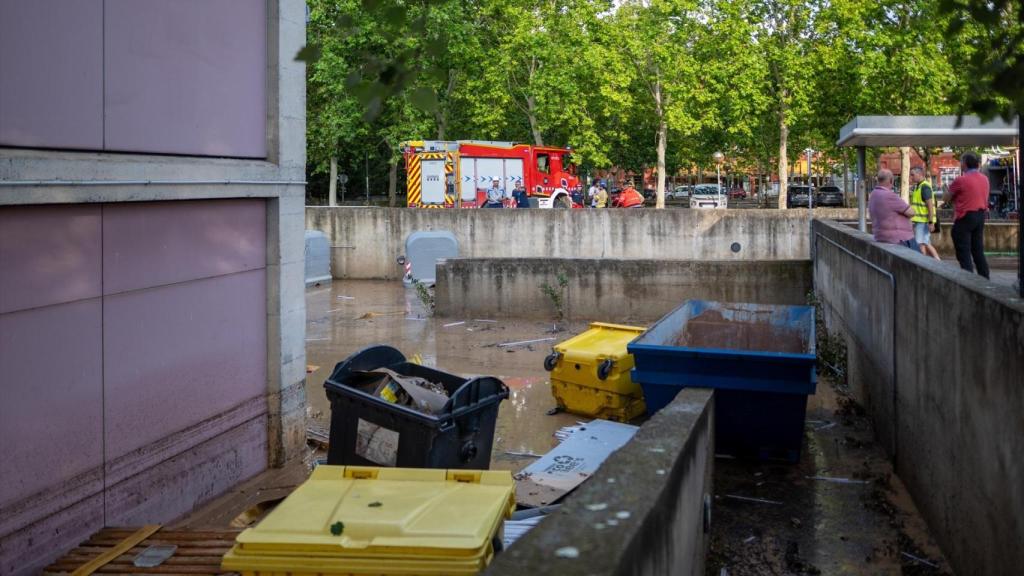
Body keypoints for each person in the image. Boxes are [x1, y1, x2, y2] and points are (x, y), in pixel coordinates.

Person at [947, 152, 990, 279]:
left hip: (965, 217)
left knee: (963, 250)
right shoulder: (985, 179)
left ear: (964, 164)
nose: (960, 164)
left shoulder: (961, 180)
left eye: (961, 162)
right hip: (980, 215)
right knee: (978, 250)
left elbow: (946, 197)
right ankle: (984, 278)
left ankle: (968, 279)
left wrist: (948, 192)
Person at [868, 169, 918, 251]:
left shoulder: (873, 194)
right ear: (891, 180)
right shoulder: (889, 196)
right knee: (920, 261)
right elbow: (911, 213)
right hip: (900, 239)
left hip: (880, 237)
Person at [909, 167, 941, 260]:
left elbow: (930, 206)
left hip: (924, 222)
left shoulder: (924, 187)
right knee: (924, 243)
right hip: (921, 221)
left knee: (921, 244)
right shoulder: (918, 186)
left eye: (912, 175)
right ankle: (934, 262)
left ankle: (934, 262)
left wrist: (931, 222)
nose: (911, 177)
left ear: (920, 174)